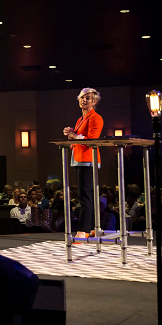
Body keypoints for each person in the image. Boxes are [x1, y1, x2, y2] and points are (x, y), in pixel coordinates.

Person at [63, 87, 104, 238]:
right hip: (80, 159)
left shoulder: (96, 117)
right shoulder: (80, 119)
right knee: (86, 195)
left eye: (88, 98)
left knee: (85, 196)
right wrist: (71, 134)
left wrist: (74, 135)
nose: (84, 100)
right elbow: (79, 137)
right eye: (82, 97)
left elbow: (91, 140)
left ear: (94, 102)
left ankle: (84, 230)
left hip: (88, 160)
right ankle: (91, 227)